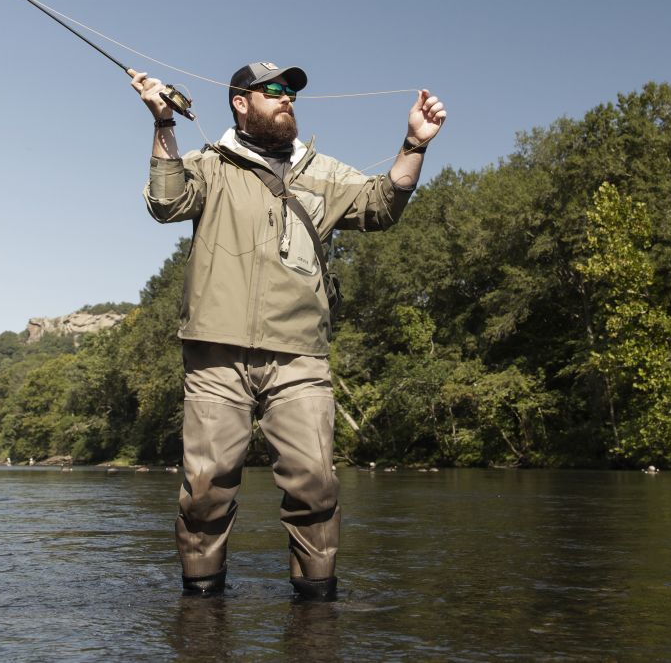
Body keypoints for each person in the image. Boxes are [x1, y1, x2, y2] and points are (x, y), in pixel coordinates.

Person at [132, 60, 446, 601]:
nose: (286, 99)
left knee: (315, 486)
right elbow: (165, 203)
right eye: (272, 91)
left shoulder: (322, 172)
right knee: (205, 493)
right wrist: (164, 123)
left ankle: (317, 613)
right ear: (240, 102)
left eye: (291, 92)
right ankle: (201, 611)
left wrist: (415, 144)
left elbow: (383, 204)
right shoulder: (209, 165)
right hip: (215, 355)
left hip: (300, 357)